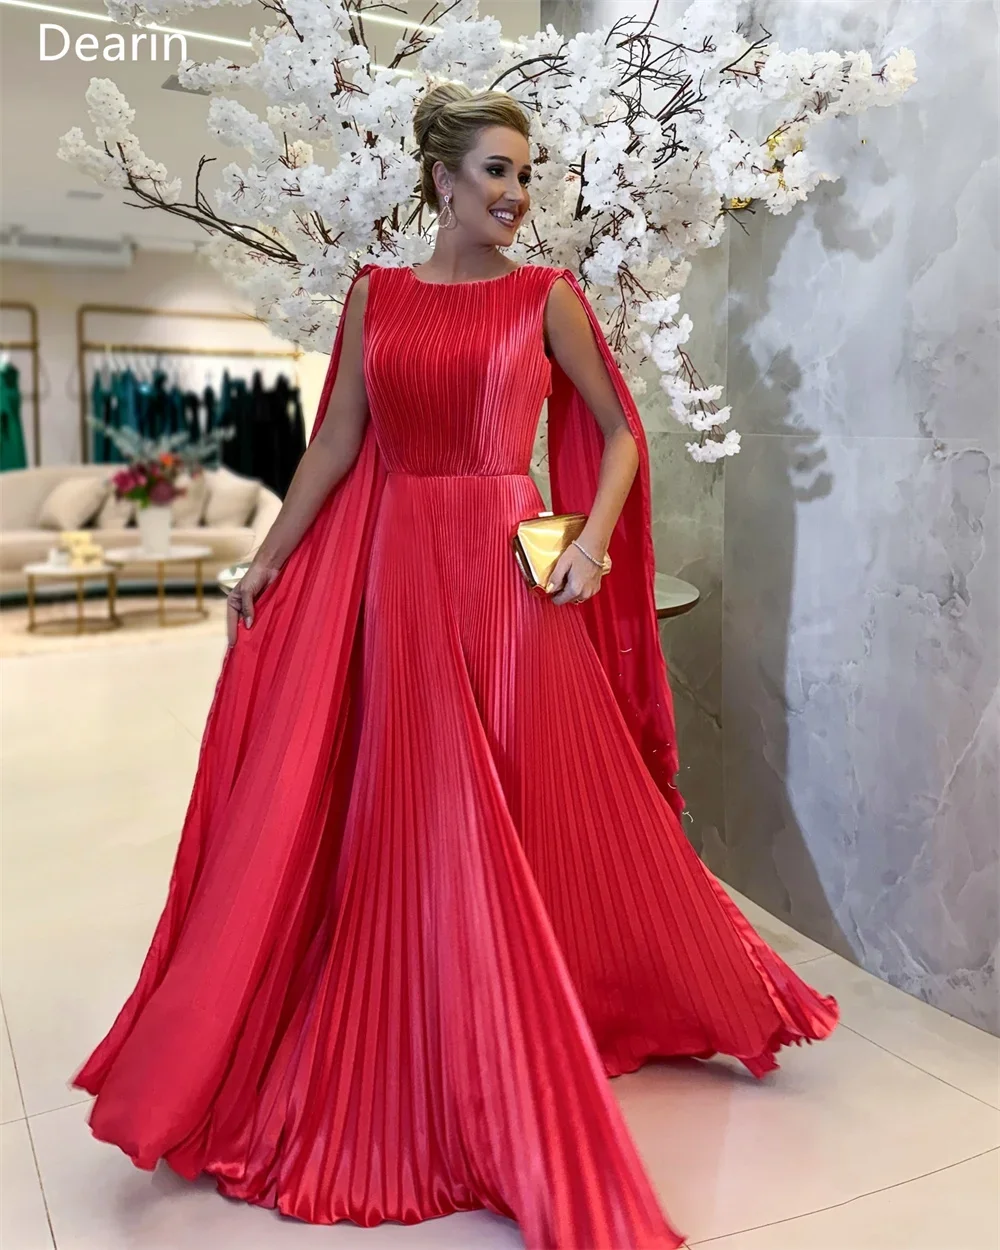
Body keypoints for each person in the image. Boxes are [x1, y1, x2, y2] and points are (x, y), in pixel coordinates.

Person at [72, 83, 839, 1250]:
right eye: (495, 170)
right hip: (398, 570)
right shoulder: (373, 298)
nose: (515, 193)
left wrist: (589, 542)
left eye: (525, 174)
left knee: (536, 793)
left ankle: (562, 1008)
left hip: (511, 571)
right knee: (421, 801)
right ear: (440, 178)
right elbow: (338, 440)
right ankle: (444, 1030)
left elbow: (620, 434)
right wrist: (267, 559)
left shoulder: (546, 297)